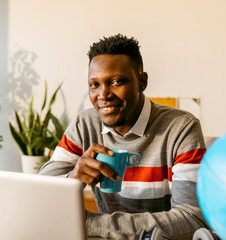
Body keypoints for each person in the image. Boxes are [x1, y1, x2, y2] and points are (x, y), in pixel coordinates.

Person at [39, 34, 209, 239]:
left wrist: (89, 224)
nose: (103, 95)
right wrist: (72, 178)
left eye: (116, 82)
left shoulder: (181, 128)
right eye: (95, 84)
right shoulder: (85, 124)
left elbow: (191, 218)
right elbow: (42, 197)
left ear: (142, 81)